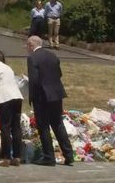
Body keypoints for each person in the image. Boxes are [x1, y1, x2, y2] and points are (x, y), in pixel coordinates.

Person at [26, 36, 74, 166]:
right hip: (56, 94)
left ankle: (49, 156)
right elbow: (59, 73)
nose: (27, 49)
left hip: (42, 96)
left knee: (43, 126)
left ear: (31, 45)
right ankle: (69, 154)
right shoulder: (52, 55)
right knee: (58, 124)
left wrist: (32, 97)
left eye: (27, 46)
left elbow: (34, 80)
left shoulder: (32, 58)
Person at [0, 50, 24, 167]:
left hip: (4, 98)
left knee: (5, 128)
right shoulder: (8, 68)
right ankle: (17, 156)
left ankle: (5, 157)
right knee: (16, 127)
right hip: (17, 97)